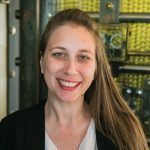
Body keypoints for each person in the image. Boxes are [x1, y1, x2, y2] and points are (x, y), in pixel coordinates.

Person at [0, 9, 149, 150]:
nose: (70, 70)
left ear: (96, 67)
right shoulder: (11, 130)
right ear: (41, 61)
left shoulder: (125, 131)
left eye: (83, 57)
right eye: (59, 54)